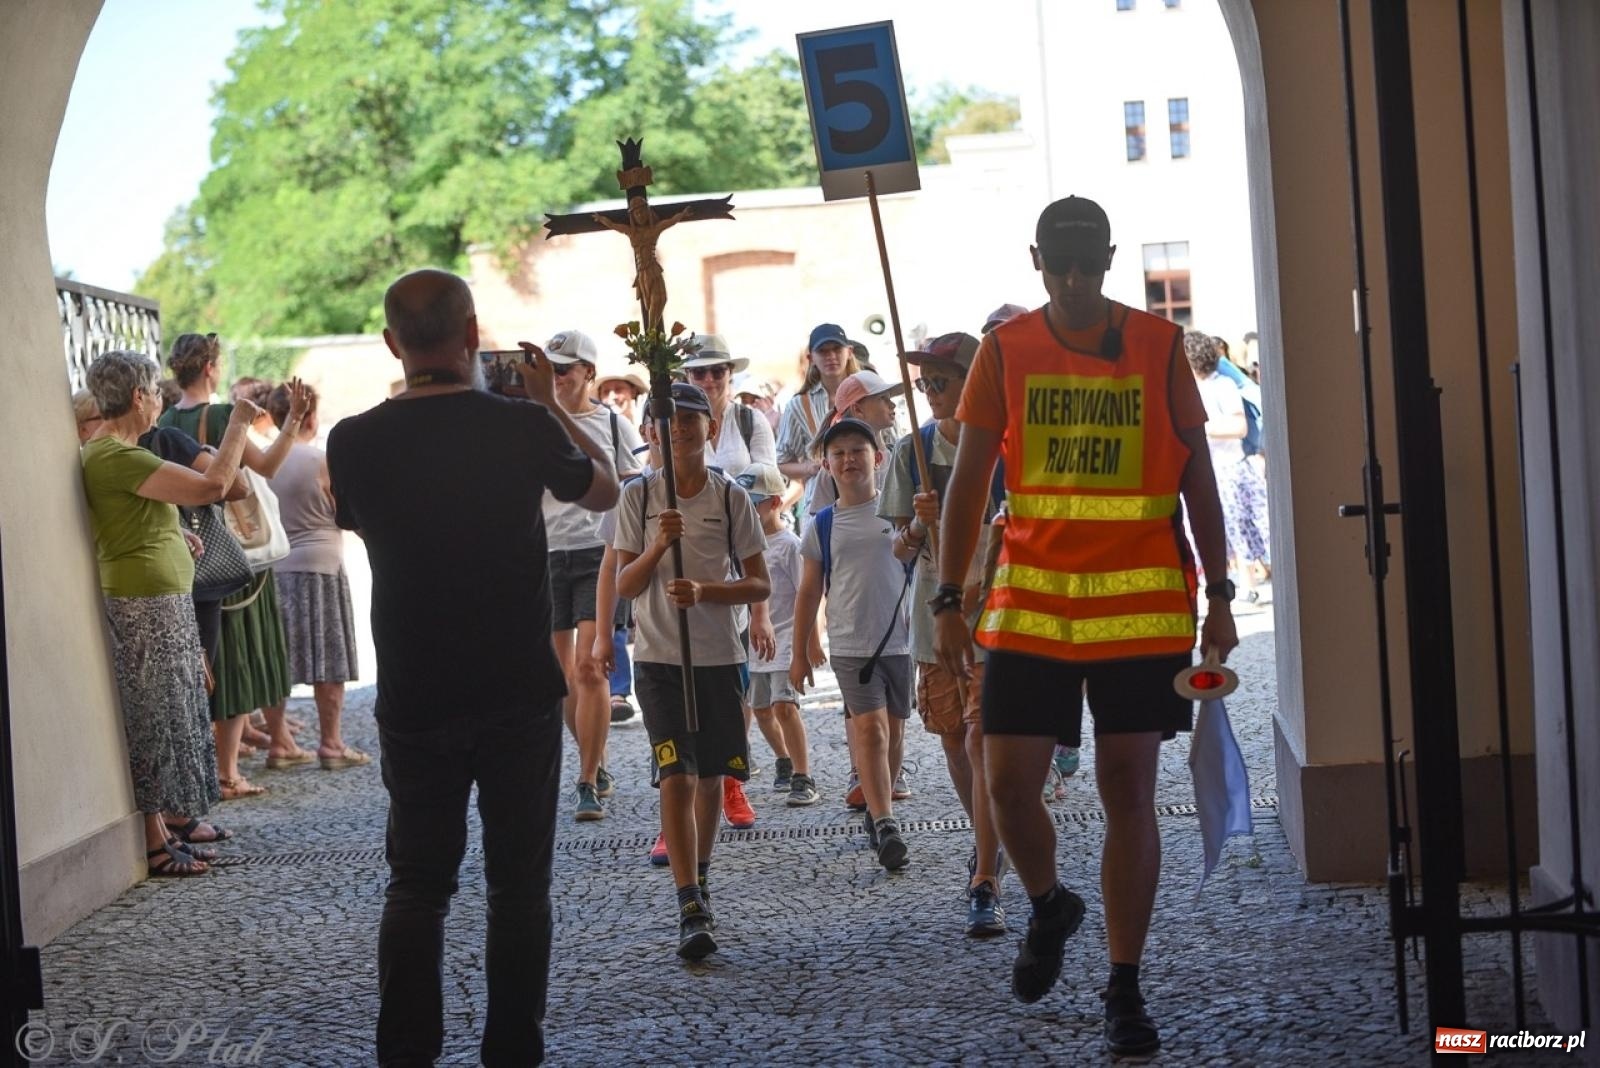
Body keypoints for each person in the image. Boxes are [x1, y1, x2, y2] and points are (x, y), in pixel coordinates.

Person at [932, 196, 1238, 1057]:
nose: (1075, 280)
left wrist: (1218, 594)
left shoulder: (1156, 344)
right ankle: (1049, 904)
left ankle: (1125, 984)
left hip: (1141, 616)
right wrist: (948, 598)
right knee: (1006, 787)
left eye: (1090, 264)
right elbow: (967, 483)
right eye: (1060, 264)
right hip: (1031, 610)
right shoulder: (1006, 348)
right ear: (1036, 260)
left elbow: (1199, 475)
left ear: (1108, 258)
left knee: (1129, 794)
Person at [328, 269, 619, 1066]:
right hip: (517, 686)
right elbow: (606, 491)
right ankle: (512, 1052)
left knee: (416, 885)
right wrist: (551, 403)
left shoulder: (351, 440)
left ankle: (406, 1051)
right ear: (471, 336)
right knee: (519, 889)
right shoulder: (520, 425)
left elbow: (357, 518)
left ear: (393, 343)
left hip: (416, 691)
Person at [80, 351, 257, 877]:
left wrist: (173, 535)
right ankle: (156, 842)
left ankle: (165, 830)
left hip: (159, 601)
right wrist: (240, 423)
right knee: (154, 721)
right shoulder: (116, 455)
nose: (160, 400)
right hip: (145, 606)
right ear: (138, 397)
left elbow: (129, 517)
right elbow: (213, 488)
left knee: (170, 715)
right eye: (156, 392)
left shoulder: (120, 455)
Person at [613, 381, 770, 961]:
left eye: (690, 419)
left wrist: (706, 590)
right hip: (657, 659)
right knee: (675, 775)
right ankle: (688, 901)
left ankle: (700, 876)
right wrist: (658, 548)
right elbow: (625, 585)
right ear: (652, 429)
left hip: (717, 656)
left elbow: (760, 583)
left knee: (708, 778)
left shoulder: (731, 498)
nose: (679, 429)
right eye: (667, 420)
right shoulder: (639, 496)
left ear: (710, 425)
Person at [880, 331, 1008, 935]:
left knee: (982, 740)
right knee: (954, 740)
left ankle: (985, 872)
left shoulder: (1003, 449)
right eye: (925, 383)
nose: (931, 393)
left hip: (995, 616)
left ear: (969, 383)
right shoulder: (912, 452)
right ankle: (990, 836)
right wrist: (916, 528)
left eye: (942, 382)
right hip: (935, 617)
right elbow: (898, 545)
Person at [160, 333, 310, 800]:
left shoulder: (163, 419)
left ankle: (213, 767)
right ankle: (228, 772)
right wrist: (294, 423)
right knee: (240, 655)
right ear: (210, 368)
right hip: (233, 550)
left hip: (188, 549)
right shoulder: (227, 415)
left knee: (207, 655)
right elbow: (264, 467)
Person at [791, 417, 913, 871]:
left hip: (900, 641)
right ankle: (885, 823)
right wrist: (801, 650)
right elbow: (808, 591)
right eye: (838, 454)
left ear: (877, 458)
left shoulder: (897, 515)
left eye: (857, 452)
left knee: (896, 732)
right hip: (850, 643)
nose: (848, 461)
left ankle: (882, 806)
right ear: (826, 465)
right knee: (872, 730)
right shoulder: (823, 523)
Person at [541, 328, 645, 821]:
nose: (557, 378)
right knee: (561, 679)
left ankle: (585, 779)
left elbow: (636, 482)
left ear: (587, 372)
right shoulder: (535, 420)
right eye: (551, 370)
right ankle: (595, 757)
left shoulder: (611, 421)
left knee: (590, 666)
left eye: (564, 370)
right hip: (543, 554)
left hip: (597, 554)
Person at [261, 382, 369, 770]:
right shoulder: (321, 460)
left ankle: (278, 742)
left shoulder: (263, 461)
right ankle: (331, 744)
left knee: (277, 661)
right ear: (310, 415)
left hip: (275, 569)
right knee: (330, 660)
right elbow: (348, 513)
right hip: (321, 566)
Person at [738, 462, 821, 807]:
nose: (747, 511)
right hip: (756, 644)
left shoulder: (789, 545)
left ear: (774, 503)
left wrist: (811, 641)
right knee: (760, 709)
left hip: (787, 636)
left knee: (784, 705)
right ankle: (784, 760)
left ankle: (804, 775)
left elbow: (808, 592)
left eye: (753, 504)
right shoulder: (744, 546)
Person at [1186, 332, 1270, 603]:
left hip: (1230, 469)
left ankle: (1248, 585)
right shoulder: (1194, 388)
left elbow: (1238, 426)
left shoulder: (1221, 385)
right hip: (1212, 469)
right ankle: (1231, 588)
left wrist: (1197, 429)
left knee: (1241, 527)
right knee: (1226, 530)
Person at [775, 323, 862, 529]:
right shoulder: (798, 405)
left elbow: (891, 446)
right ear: (811, 358)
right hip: (821, 509)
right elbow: (780, 462)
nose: (831, 356)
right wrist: (810, 467)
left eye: (836, 349)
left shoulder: (867, 396)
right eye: (823, 351)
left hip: (867, 502)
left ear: (849, 352)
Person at [806, 368, 903, 518]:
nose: (892, 405)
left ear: (877, 459)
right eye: (883, 398)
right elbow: (819, 523)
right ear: (858, 409)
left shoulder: (898, 458)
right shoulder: (833, 471)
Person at [681, 334, 775, 472]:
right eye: (699, 372)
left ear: (730, 373)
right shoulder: (676, 425)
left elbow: (769, 480)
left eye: (717, 371)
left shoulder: (753, 420)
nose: (709, 379)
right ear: (688, 375)